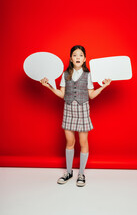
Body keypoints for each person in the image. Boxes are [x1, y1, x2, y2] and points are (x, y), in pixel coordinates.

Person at [40, 45, 111, 187]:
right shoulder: (65, 74)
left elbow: (91, 95)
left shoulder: (88, 75)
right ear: (71, 59)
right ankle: (68, 172)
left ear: (84, 59)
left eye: (80, 55)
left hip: (83, 109)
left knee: (83, 142)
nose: (77, 57)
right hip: (68, 110)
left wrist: (104, 87)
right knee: (69, 143)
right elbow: (62, 94)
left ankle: (81, 173)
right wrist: (48, 86)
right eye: (74, 55)